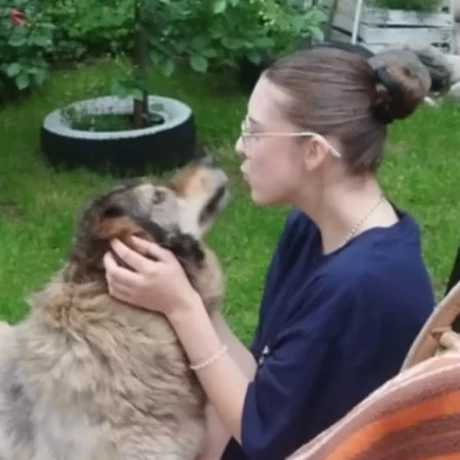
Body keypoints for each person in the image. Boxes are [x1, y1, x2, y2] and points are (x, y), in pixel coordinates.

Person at [102, 46, 436, 460]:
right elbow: (260, 377)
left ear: (314, 151)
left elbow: (264, 437)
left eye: (255, 132)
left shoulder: (363, 287)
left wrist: (183, 308)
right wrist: (197, 302)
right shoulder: (310, 230)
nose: (240, 146)